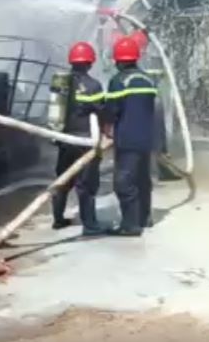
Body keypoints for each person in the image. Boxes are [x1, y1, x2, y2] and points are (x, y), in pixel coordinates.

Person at [51, 41, 111, 235]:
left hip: (64, 141)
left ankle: (58, 219)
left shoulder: (61, 83)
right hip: (86, 142)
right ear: (90, 63)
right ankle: (90, 225)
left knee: (62, 181)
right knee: (86, 185)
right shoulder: (93, 85)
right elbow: (102, 112)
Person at [105, 35, 159, 237]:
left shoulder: (118, 81)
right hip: (147, 139)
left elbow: (112, 111)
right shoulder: (147, 79)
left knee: (124, 182)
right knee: (142, 179)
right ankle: (145, 218)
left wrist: (105, 129)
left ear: (118, 60)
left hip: (127, 139)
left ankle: (131, 225)